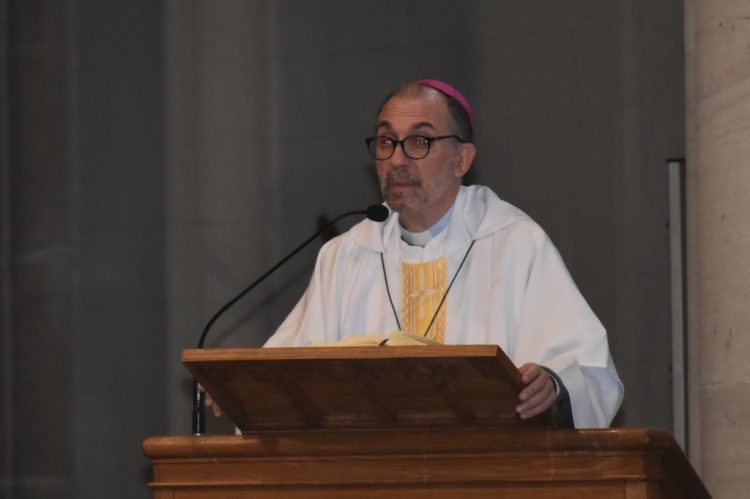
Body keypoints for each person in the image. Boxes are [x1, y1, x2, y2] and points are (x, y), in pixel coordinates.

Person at [262, 79, 623, 428]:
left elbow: (591, 371)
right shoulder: (346, 255)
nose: (397, 159)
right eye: (386, 141)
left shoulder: (515, 243)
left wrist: (552, 384)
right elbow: (279, 375)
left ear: (461, 160)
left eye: (419, 141)